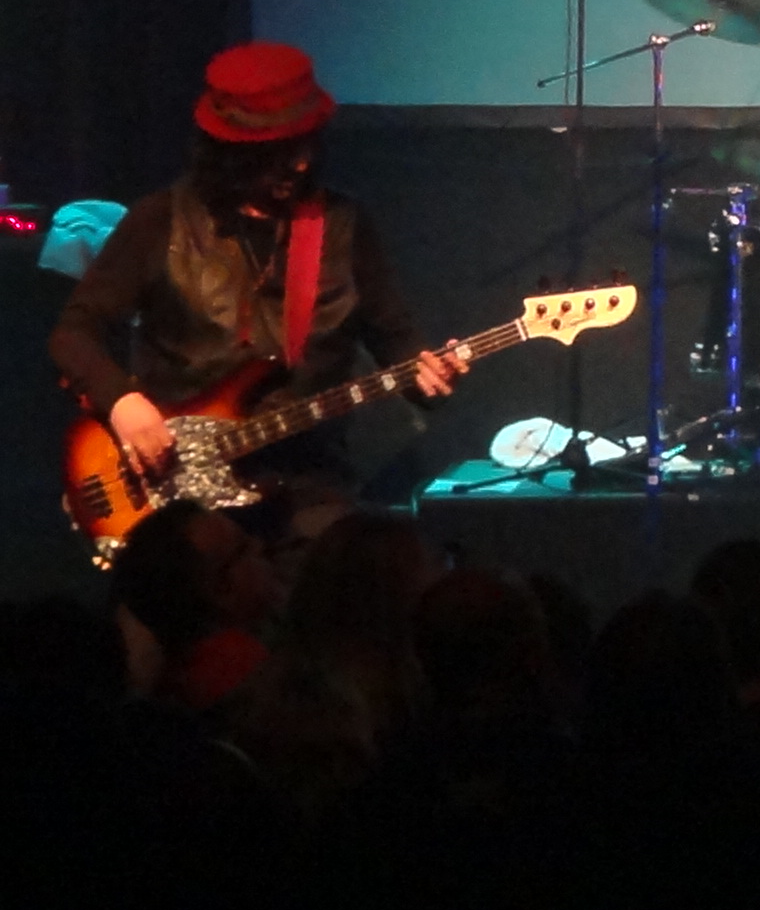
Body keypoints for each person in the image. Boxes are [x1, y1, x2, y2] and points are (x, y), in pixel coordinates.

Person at [50, 41, 466, 546]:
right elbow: (75, 333)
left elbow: (395, 337)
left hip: (308, 487)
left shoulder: (343, 226)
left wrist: (427, 375)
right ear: (230, 153)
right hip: (178, 497)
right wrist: (122, 403)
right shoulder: (161, 220)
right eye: (278, 152)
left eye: (306, 145)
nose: (299, 165)